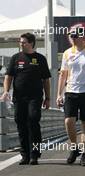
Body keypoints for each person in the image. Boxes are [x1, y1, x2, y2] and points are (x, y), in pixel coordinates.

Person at [1, 33, 51, 165]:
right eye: (20, 42)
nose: (20, 44)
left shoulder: (40, 59)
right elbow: (8, 76)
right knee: (20, 123)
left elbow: (46, 79)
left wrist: (48, 97)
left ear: (31, 43)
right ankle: (25, 155)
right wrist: (6, 91)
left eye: (23, 42)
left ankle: (35, 153)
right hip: (19, 97)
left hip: (35, 97)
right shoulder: (15, 58)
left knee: (33, 120)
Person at [56, 26, 85, 166]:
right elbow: (63, 74)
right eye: (71, 36)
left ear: (83, 37)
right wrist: (59, 94)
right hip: (71, 91)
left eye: (75, 36)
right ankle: (74, 147)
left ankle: (84, 154)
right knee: (68, 121)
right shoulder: (67, 53)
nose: (73, 38)